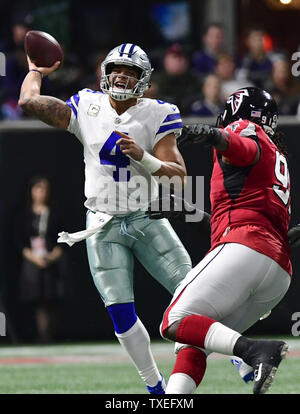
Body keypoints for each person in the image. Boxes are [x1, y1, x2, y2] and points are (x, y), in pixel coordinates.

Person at [18, 43, 194, 393]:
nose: (121, 77)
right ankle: (155, 388)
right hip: (102, 223)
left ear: (143, 80)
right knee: (120, 312)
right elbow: (28, 102)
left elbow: (179, 177)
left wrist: (144, 156)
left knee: (194, 293)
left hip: (146, 216)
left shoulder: (158, 112)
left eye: (130, 73)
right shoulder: (87, 104)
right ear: (105, 72)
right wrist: (36, 71)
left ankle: (237, 355)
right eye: (116, 69)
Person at [157, 87, 292, 394]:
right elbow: (241, 216)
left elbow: (243, 147)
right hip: (275, 272)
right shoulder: (277, 153)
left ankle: (255, 351)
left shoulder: (244, 127)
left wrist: (211, 135)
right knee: (192, 339)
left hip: (247, 249)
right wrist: (191, 213)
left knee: (174, 320)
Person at [15, 176, 64, 342]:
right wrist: (34, 258)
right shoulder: (24, 215)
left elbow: (63, 239)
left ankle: (52, 335)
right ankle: (39, 335)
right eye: (38, 188)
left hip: (51, 259)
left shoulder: (54, 214)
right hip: (32, 260)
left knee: (52, 297)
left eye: (45, 189)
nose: (42, 193)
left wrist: (51, 256)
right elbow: (19, 241)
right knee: (36, 298)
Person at [151, 43, 202, 115]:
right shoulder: (155, 81)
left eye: (182, 57)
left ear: (187, 62)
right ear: (166, 61)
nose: (179, 61)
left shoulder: (195, 81)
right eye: (175, 57)